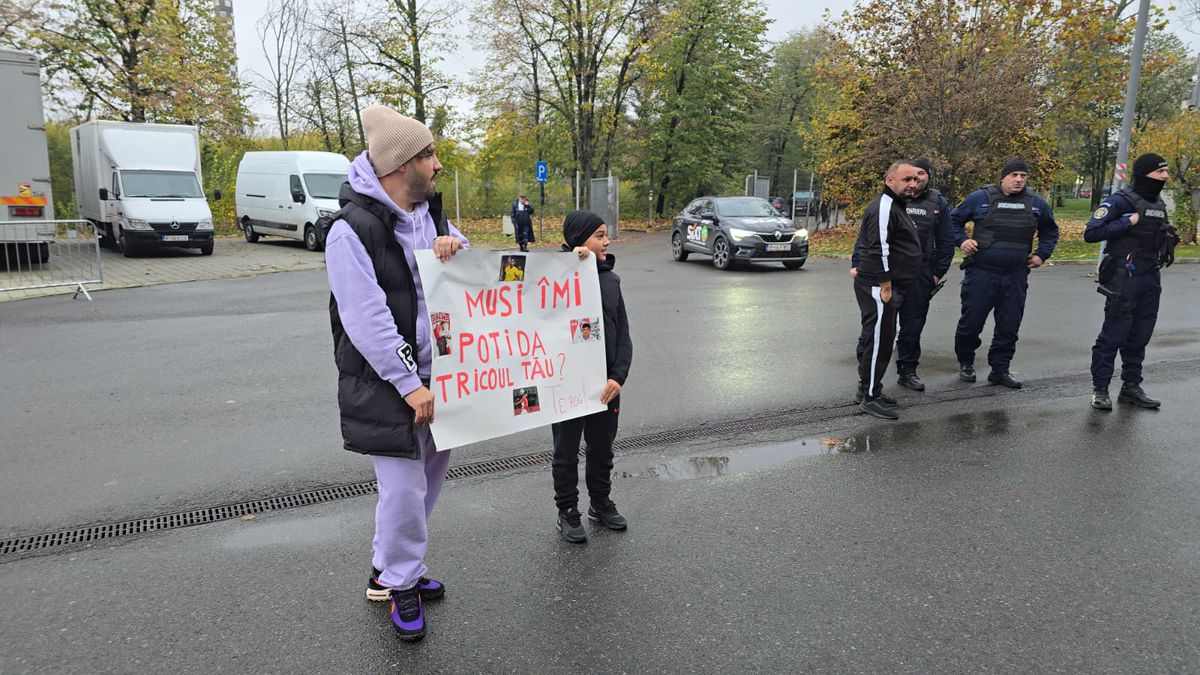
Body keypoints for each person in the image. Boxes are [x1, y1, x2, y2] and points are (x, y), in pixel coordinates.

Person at [324, 104, 469, 642]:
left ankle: (387, 571)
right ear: (398, 165)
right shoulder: (350, 231)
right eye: (427, 154)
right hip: (392, 386)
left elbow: (463, 272)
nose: (436, 165)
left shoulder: (430, 214)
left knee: (427, 482)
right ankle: (402, 583)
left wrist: (456, 247)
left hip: (442, 379)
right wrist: (410, 386)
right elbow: (365, 319)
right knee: (404, 490)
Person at [551, 210, 633, 543]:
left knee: (602, 449)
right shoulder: (557, 280)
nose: (607, 240)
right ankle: (567, 510)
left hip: (605, 387)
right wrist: (571, 266)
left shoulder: (611, 281)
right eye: (599, 235)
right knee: (566, 452)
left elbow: (623, 334)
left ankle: (600, 502)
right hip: (567, 385)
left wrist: (618, 377)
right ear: (578, 240)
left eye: (605, 234)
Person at [952, 158, 1059, 388]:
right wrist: (962, 241)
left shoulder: (1036, 203)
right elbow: (952, 222)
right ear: (1003, 177)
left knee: (1009, 326)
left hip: (1015, 276)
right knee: (971, 323)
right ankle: (966, 362)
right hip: (982, 273)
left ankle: (1000, 369)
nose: (1019, 179)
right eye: (1014, 175)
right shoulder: (980, 198)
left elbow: (1050, 231)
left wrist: (1042, 254)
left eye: (1023, 175)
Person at [1084, 153, 1180, 410]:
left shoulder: (1159, 204)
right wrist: (1126, 222)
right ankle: (1100, 389)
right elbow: (1091, 233)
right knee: (1114, 334)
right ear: (1146, 174)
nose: (1165, 177)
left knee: (1140, 335)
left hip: (1150, 275)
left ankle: (1131, 387)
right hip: (1123, 276)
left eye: (1166, 171)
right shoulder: (1121, 201)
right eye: (1160, 172)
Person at [851, 161, 924, 420]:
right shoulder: (883, 206)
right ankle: (869, 398)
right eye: (906, 179)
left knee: (881, 341)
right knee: (879, 342)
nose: (913, 184)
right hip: (878, 287)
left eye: (915, 179)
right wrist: (885, 286)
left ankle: (870, 389)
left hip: (889, 286)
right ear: (889, 180)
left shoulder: (896, 206)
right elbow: (878, 247)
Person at [894, 157, 955, 391]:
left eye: (921, 173)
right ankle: (869, 378)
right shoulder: (893, 198)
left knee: (913, 325)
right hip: (891, 271)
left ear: (928, 176)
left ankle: (907, 371)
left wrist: (937, 274)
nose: (916, 178)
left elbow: (947, 240)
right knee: (880, 326)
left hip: (920, 272)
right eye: (911, 175)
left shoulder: (937, 202)